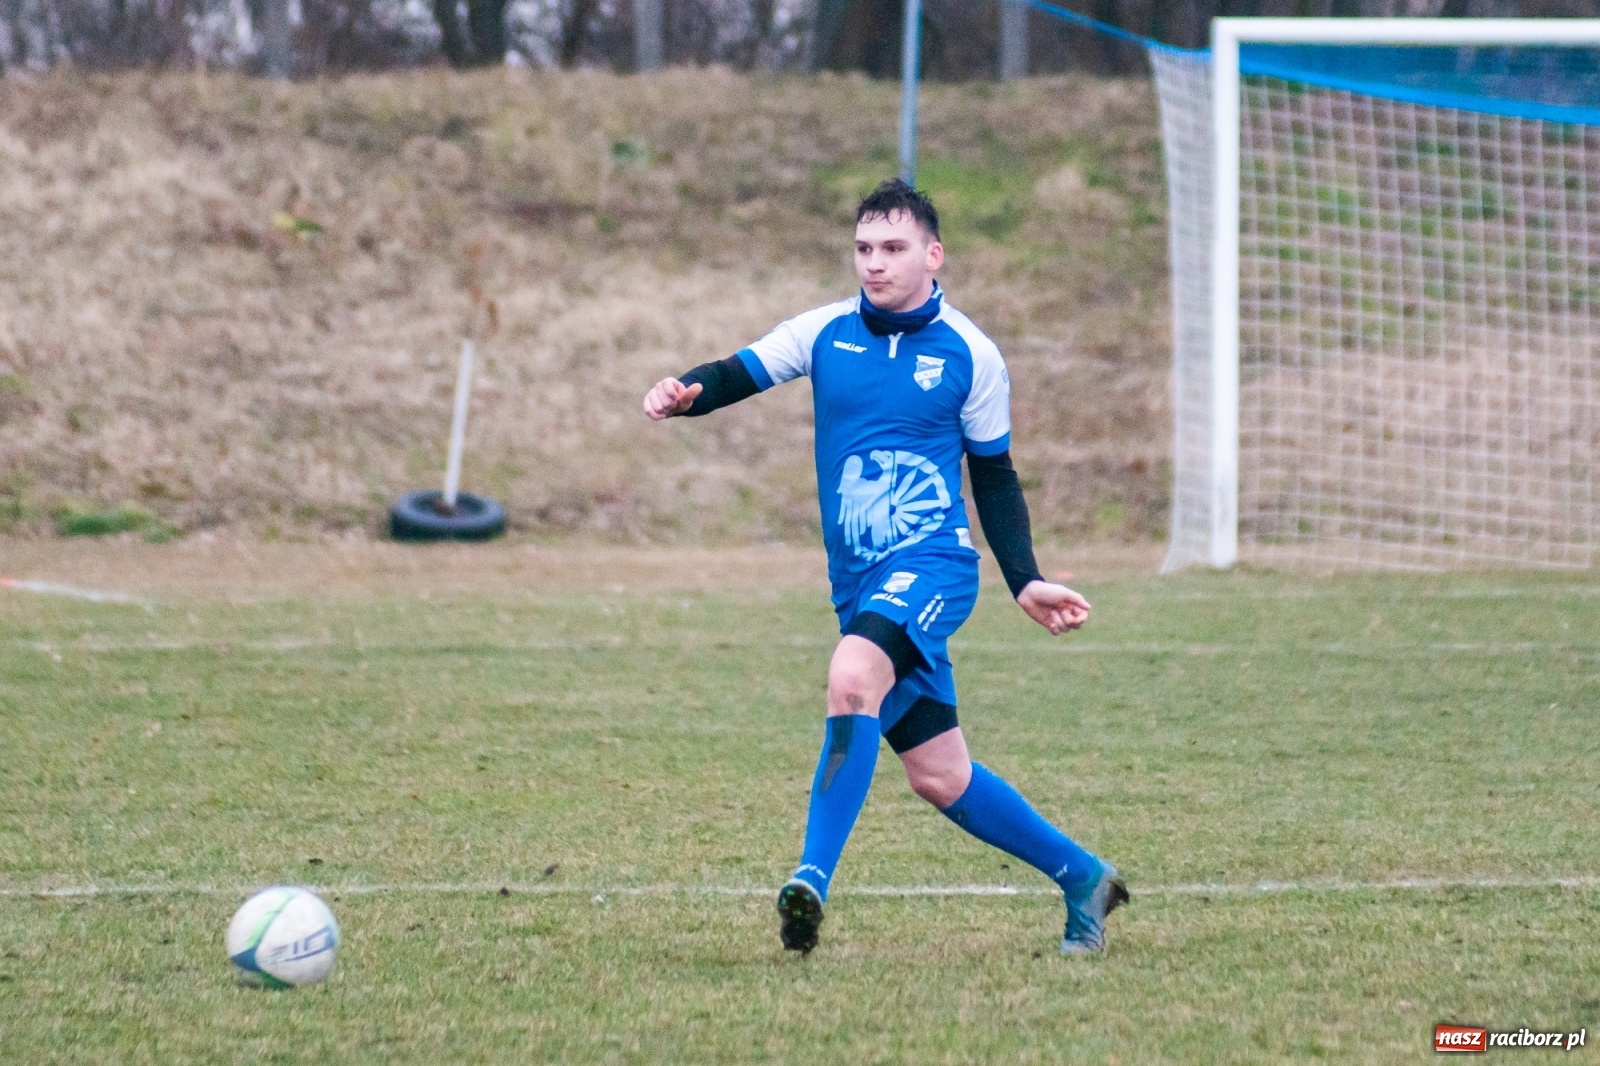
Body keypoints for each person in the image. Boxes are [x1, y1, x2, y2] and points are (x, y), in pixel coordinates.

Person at [641, 179, 1127, 956]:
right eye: (864, 248)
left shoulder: (971, 353)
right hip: (859, 581)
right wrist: (684, 392)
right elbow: (739, 370)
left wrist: (1025, 577)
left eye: (893, 248)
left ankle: (810, 880)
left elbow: (995, 477)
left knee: (851, 677)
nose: (875, 264)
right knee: (940, 775)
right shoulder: (824, 332)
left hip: (935, 562)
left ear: (933, 255)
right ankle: (1085, 879)